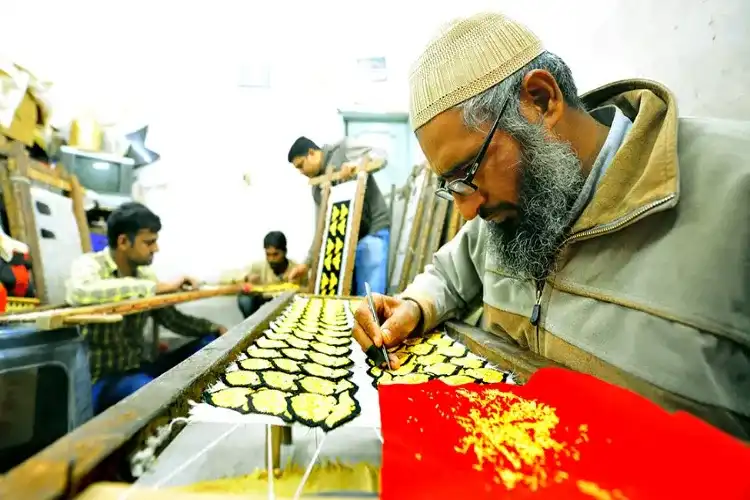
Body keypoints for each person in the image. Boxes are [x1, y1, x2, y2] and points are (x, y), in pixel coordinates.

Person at [353, 12, 750, 439]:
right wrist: (415, 305)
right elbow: (453, 272)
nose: (468, 211)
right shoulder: (506, 215)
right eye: (452, 187)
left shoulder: (735, 195)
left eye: (469, 171)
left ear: (541, 101)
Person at [65, 202, 227, 414]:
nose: (156, 249)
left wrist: (215, 329)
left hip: (138, 368)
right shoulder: (89, 265)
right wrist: (156, 288)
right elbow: (80, 292)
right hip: (102, 380)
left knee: (209, 346)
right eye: (149, 242)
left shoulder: (144, 275)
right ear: (123, 241)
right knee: (149, 390)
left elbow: (172, 320)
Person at [286, 136, 390, 295]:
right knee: (349, 297)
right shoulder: (317, 187)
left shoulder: (343, 149)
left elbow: (381, 154)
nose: (301, 172)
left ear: (312, 153)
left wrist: (355, 166)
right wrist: (307, 264)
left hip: (372, 230)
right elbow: (320, 230)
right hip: (347, 243)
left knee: (370, 297)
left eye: (301, 165)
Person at [236, 231, 301, 318]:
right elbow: (232, 277)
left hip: (287, 304)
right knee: (244, 299)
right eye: (268, 254)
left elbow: (308, 290)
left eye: (275, 254)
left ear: (285, 252)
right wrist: (247, 278)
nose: (271, 259)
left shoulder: (296, 269)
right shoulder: (258, 267)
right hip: (263, 301)